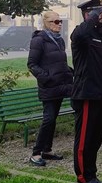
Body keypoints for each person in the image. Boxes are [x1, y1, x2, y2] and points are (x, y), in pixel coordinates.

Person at [70, 0, 102, 183]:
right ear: (88, 14)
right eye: (98, 13)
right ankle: (83, 176)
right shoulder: (81, 34)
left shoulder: (99, 36)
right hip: (85, 93)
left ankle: (92, 173)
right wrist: (92, 18)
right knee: (85, 138)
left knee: (96, 138)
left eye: (101, 13)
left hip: (99, 94)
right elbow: (80, 34)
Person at [27, 11, 72, 166]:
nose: (59, 24)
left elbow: (60, 63)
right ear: (46, 23)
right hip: (49, 87)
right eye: (55, 21)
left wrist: (70, 73)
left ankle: (47, 150)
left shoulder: (59, 41)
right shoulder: (39, 40)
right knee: (49, 118)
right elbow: (32, 64)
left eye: (60, 21)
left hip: (60, 86)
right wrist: (47, 77)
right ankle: (36, 153)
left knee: (53, 120)